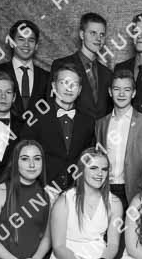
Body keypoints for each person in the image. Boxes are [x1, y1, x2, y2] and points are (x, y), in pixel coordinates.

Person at [21, 63, 95, 191]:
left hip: (75, 191)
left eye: (74, 84)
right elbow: (23, 155)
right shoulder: (35, 117)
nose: (69, 88)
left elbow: (88, 159)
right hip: (40, 190)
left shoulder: (88, 121)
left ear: (79, 90)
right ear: (54, 86)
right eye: (63, 82)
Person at [95, 68, 142, 209]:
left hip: (138, 192)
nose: (121, 94)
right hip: (106, 190)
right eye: (116, 89)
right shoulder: (101, 124)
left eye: (127, 89)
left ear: (133, 93)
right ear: (110, 92)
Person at [49, 12, 112, 119]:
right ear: (82, 34)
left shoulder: (107, 73)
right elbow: (51, 103)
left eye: (102, 34)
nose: (98, 38)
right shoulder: (61, 65)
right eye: (93, 33)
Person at [0, 20, 49, 120]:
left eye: (31, 40)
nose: (26, 44)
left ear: (36, 46)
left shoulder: (46, 77)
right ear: (11, 43)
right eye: (21, 39)